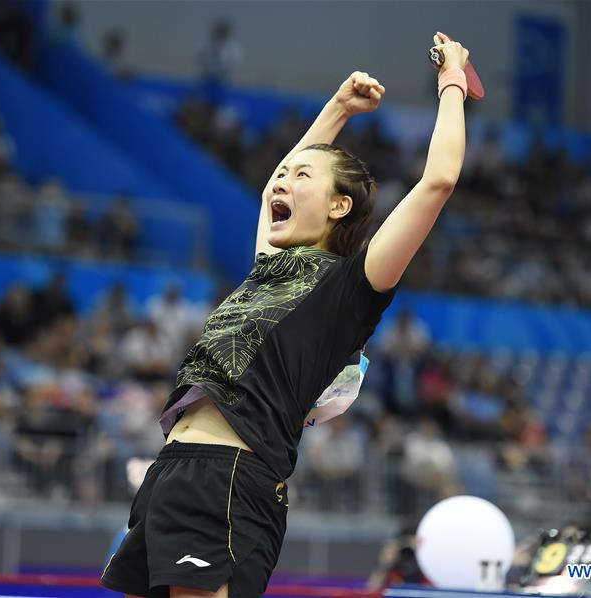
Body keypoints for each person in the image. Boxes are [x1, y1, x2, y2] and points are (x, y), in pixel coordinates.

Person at [101, 32, 470, 598]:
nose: (282, 180)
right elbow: (279, 179)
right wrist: (338, 108)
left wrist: (452, 80)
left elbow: (438, 180)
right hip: (173, 472)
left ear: (338, 206)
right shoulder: (271, 267)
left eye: (303, 178)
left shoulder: (351, 286)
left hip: (228, 480)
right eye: (283, 176)